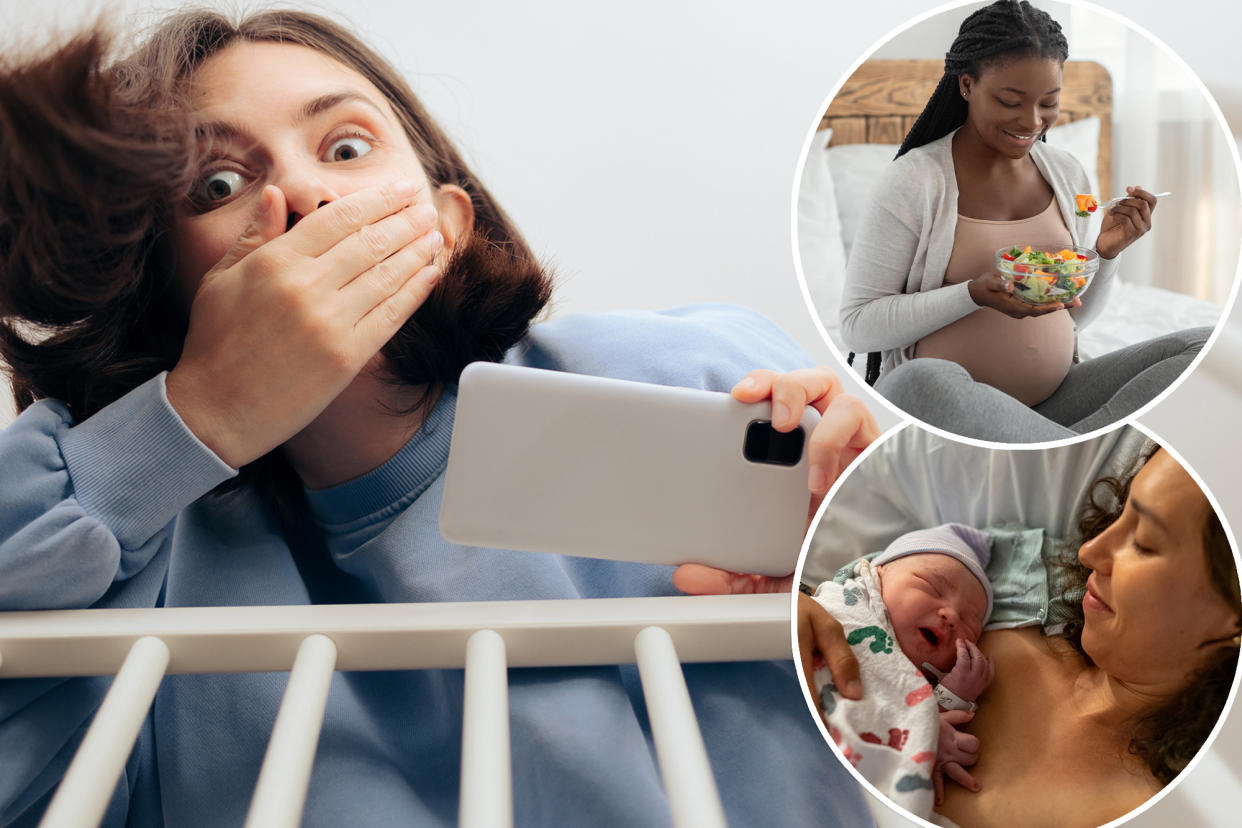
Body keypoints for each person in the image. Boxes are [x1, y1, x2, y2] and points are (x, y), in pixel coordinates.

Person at [0, 9, 881, 826]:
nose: (303, 195)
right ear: (169, 283)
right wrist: (202, 412)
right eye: (218, 182)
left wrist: (874, 530)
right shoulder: (133, 555)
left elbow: (953, 633)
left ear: (447, 223)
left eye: (345, 148)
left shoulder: (701, 379)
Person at [798, 446, 1242, 827]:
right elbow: (872, 582)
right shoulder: (1015, 580)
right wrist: (795, 605)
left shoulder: (1154, 808)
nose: (1091, 551)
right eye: (1122, 511)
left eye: (1144, 543)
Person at [838, 0, 1210, 442]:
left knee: (1203, 348)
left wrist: (1104, 256)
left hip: (1058, 400)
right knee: (922, 382)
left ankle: (1046, 447)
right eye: (1010, 101)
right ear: (967, 84)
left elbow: (1072, 319)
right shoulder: (914, 181)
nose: (1032, 121)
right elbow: (858, 326)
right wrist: (973, 294)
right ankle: (1081, 449)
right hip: (950, 408)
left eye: (1049, 103)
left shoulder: (1067, 172)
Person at [806, 524, 997, 814]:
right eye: (930, 586)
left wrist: (939, 721)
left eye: (971, 625)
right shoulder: (843, 606)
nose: (952, 616)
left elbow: (904, 710)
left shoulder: (918, 681)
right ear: (878, 573)